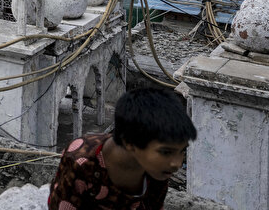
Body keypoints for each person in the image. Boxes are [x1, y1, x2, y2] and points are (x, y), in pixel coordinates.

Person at [48, 87, 197, 210]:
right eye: (166, 152)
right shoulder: (81, 162)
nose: (176, 163)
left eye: (182, 151)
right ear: (130, 142)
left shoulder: (157, 171)